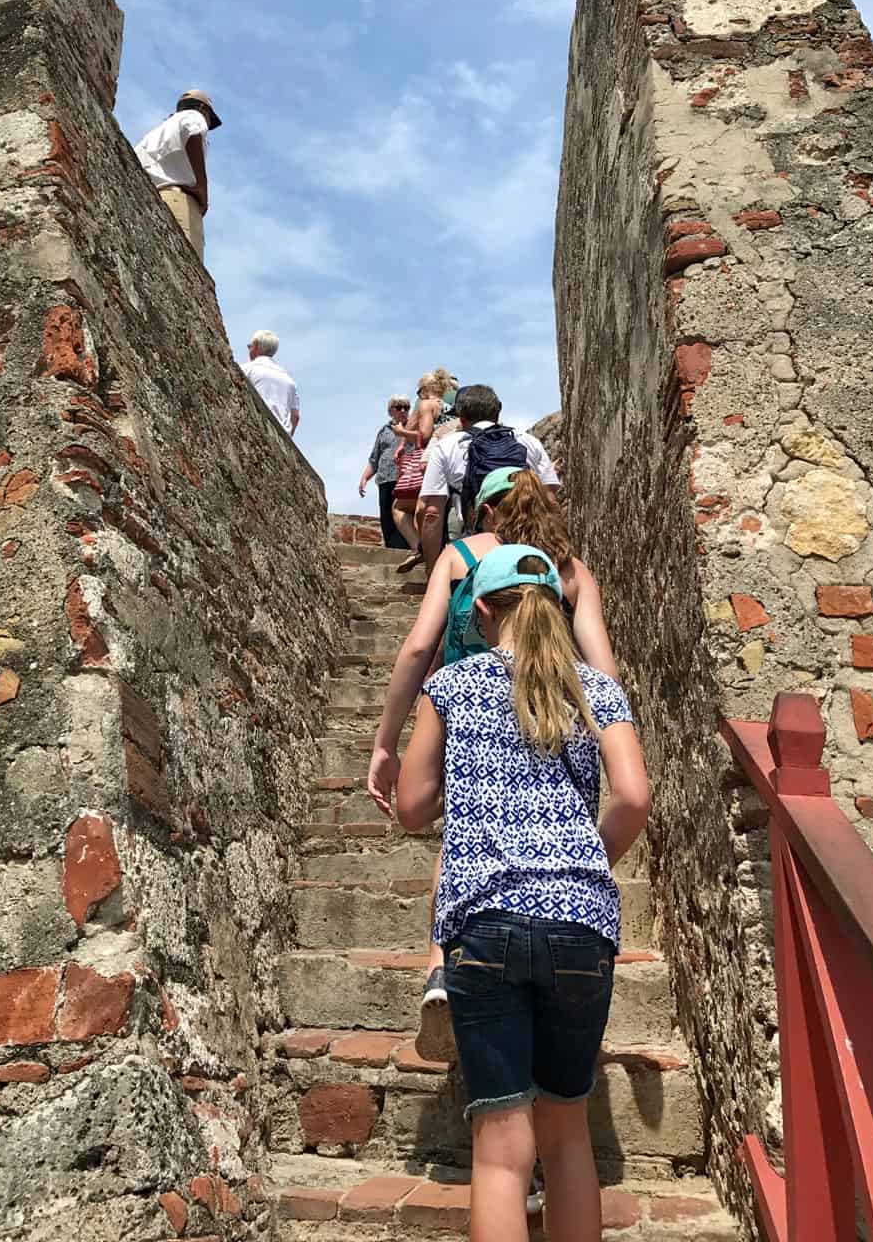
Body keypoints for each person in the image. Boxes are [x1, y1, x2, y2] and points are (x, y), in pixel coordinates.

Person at [396, 544, 649, 1242]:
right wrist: (584, 864)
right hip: (582, 924)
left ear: (479, 609)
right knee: (567, 1131)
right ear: (557, 609)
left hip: (487, 924)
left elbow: (413, 807)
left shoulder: (453, 686)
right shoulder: (598, 690)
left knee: (502, 1150)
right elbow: (632, 795)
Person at [367, 468, 619, 1060]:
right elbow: (604, 672)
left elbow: (417, 648)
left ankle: (439, 967)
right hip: (554, 717)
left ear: (481, 511)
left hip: (463, 712)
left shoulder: (460, 555)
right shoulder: (572, 570)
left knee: (461, 834)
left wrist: (386, 743)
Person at [418, 384, 559, 573]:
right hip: (527, 543)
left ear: (461, 417)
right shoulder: (529, 442)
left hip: (473, 548)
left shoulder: (447, 446)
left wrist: (433, 571)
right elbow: (550, 502)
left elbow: (432, 514)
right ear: (498, 411)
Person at [133, 89, 221, 261]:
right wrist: (202, 187)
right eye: (209, 119)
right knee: (187, 271)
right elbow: (193, 133)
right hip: (178, 202)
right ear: (203, 109)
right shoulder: (194, 116)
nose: (208, 124)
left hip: (152, 202)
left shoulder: (153, 134)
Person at [391, 371, 451, 567]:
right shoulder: (451, 408)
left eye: (419, 392)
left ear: (425, 390)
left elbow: (424, 436)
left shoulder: (427, 405)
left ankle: (419, 548)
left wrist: (401, 433)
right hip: (451, 464)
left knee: (399, 508)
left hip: (430, 463)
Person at [358, 396, 412, 549]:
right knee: (387, 518)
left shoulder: (412, 428)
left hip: (405, 479)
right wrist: (364, 478)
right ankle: (391, 548)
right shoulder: (384, 431)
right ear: (391, 411)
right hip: (384, 480)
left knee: (403, 517)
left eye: (406, 407)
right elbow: (375, 457)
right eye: (399, 407)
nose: (403, 410)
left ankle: (405, 549)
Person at [240, 331, 299, 434]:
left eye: (250, 346)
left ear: (256, 345)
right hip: (282, 436)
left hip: (257, 427)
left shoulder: (247, 369)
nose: (249, 350)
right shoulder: (289, 380)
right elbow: (295, 416)